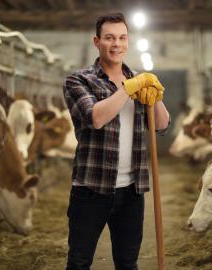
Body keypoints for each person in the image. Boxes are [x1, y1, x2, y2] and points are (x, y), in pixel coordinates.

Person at [63, 12, 170, 270]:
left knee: (127, 263)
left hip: (132, 189)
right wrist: (128, 88)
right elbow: (95, 118)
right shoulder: (79, 80)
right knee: (79, 262)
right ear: (96, 41)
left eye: (122, 38)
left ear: (128, 41)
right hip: (91, 189)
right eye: (109, 38)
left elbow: (161, 125)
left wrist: (155, 95)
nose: (116, 44)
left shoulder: (138, 80)